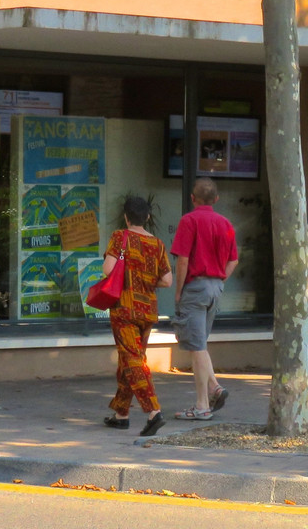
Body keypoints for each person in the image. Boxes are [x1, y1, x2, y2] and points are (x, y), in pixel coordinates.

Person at [103, 195, 172, 437]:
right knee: (130, 360)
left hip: (124, 308)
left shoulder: (120, 238)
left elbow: (109, 269)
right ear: (148, 217)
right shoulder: (158, 244)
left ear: (125, 216)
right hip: (147, 311)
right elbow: (167, 280)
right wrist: (145, 278)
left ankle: (153, 411)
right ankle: (121, 414)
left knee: (132, 361)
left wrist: (127, 266)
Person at [171, 176, 239, 420]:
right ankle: (214, 387)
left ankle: (202, 405)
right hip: (215, 289)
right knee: (200, 343)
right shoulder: (226, 224)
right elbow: (234, 259)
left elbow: (183, 259)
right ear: (216, 199)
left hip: (195, 287)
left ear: (192, 198)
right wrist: (220, 281)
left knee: (196, 346)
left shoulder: (189, 221)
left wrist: (179, 290)